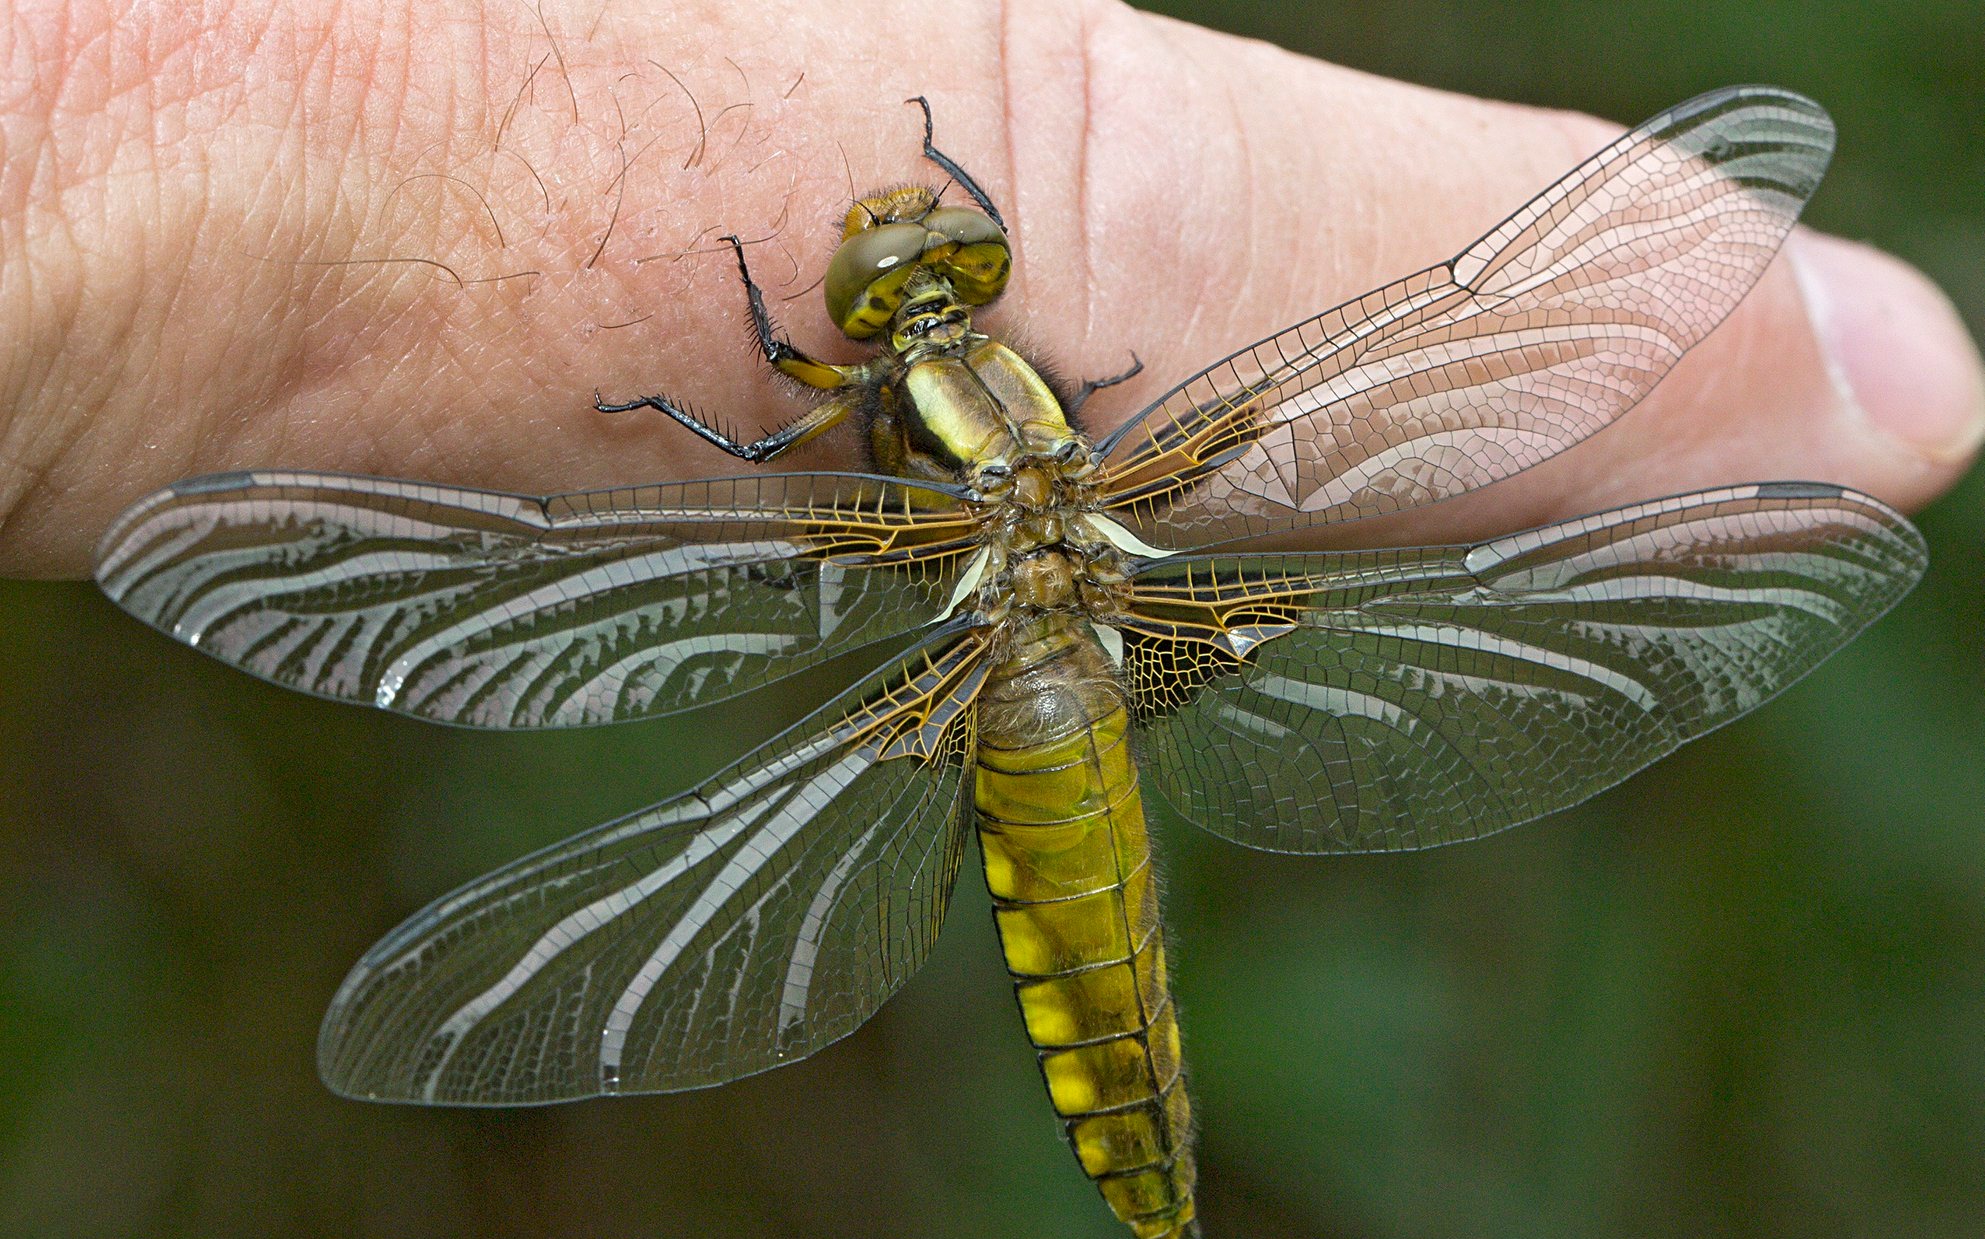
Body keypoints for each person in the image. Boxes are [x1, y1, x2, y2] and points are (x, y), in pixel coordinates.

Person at [3, 0, 1979, 579]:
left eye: (947, 257)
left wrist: (676, 408)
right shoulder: (1027, 417)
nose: (919, 288)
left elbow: (754, 394)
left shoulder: (856, 398)